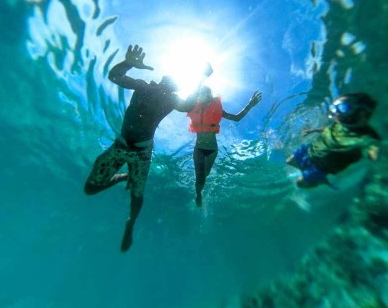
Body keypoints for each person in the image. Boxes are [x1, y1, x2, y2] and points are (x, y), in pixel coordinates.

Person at [84, 44, 211, 252]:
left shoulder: (170, 100)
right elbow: (114, 77)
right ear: (159, 80)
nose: (166, 85)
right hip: (121, 145)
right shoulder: (144, 86)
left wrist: (200, 78)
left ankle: (130, 224)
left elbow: (188, 105)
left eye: (171, 85)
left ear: (173, 89)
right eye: (166, 80)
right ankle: (124, 177)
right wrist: (128, 63)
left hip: (142, 153)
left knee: (136, 195)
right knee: (90, 188)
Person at [286, 93, 381, 189]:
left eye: (343, 107)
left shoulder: (364, 137)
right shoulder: (340, 123)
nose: (336, 112)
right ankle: (307, 169)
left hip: (322, 167)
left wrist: (374, 153)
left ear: (362, 114)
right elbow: (328, 129)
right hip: (311, 151)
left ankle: (320, 178)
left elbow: (372, 148)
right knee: (289, 161)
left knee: (300, 183)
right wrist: (312, 130)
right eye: (334, 107)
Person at [187, 86, 262, 206]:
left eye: (206, 94)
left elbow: (236, 118)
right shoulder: (192, 106)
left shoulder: (217, 109)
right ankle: (198, 194)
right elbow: (180, 105)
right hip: (199, 148)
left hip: (212, 150)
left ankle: (200, 187)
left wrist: (250, 105)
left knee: (205, 175)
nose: (203, 96)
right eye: (201, 93)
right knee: (199, 176)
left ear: (210, 96)